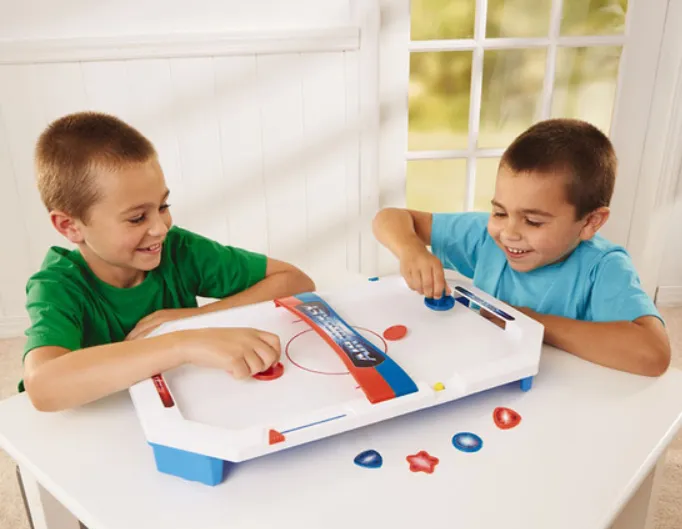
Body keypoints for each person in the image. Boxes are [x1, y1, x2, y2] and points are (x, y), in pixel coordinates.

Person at [22, 111, 315, 412]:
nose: (160, 228)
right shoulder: (57, 287)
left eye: (163, 206)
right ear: (70, 226)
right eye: (137, 218)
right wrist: (180, 343)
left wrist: (194, 318)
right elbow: (43, 387)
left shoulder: (178, 250)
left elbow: (296, 282)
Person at [373, 118, 670, 377]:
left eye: (533, 221)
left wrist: (526, 321)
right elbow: (390, 218)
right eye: (500, 212)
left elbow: (653, 354)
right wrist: (411, 248)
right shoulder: (486, 238)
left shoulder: (603, 267)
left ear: (591, 222)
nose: (509, 233)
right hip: (487, 381)